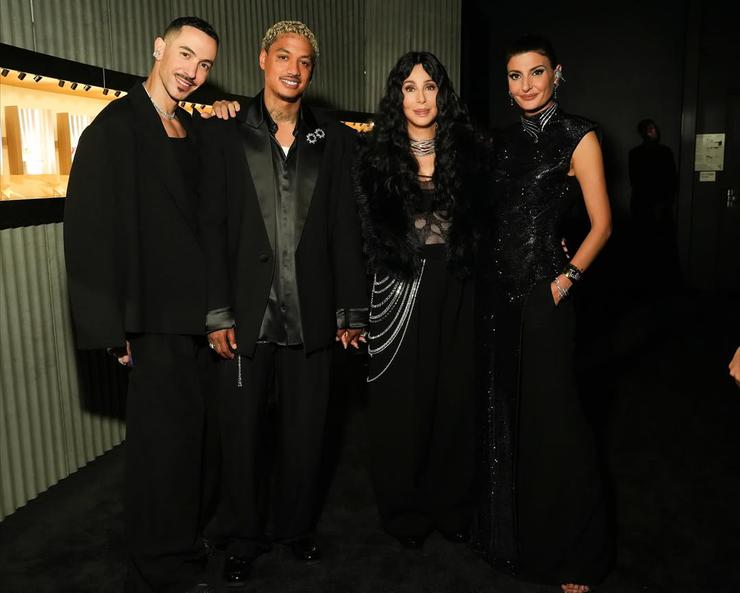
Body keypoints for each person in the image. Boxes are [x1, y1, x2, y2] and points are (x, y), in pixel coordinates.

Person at [196, 20, 367, 585]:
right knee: (241, 435)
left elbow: (345, 229)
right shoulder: (225, 131)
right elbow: (211, 227)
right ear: (263, 60)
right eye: (284, 57)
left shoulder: (335, 140)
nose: (295, 69)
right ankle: (244, 536)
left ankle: (296, 529)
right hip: (245, 316)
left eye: (305, 61)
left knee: (306, 434)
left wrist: (350, 310)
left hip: (311, 315)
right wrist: (216, 311)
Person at [63, 17, 219, 593]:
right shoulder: (114, 128)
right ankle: (158, 565)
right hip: (150, 320)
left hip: (198, 319)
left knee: (195, 444)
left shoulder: (191, 128)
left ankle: (184, 542)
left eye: (205, 64)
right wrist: (112, 331)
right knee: (161, 451)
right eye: (185, 54)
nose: (193, 72)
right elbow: (88, 235)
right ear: (158, 48)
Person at [473, 34, 613, 593]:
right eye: (515, 75)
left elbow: (602, 224)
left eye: (536, 72)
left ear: (557, 74)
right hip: (496, 296)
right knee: (507, 415)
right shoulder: (499, 140)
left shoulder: (579, 135)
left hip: (543, 296)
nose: (526, 84)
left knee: (556, 421)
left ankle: (576, 554)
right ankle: (513, 539)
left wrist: (565, 279)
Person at [354, 51, 488, 549]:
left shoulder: (471, 155)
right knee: (401, 407)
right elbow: (356, 238)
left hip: (459, 288)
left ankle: (451, 508)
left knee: (455, 400)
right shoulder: (373, 159)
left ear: (443, 94)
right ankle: (404, 511)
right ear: (397, 96)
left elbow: (502, 219)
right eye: (409, 88)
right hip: (399, 291)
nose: (421, 98)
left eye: (429, 86)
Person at [628, 118, 678, 289]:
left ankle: (662, 284)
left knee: (662, 245)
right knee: (644, 245)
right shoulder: (635, 154)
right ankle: (646, 283)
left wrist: (664, 203)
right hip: (644, 206)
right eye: (650, 129)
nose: (654, 132)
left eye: (655, 128)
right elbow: (636, 182)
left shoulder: (665, 152)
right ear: (643, 133)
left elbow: (672, 180)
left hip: (660, 205)